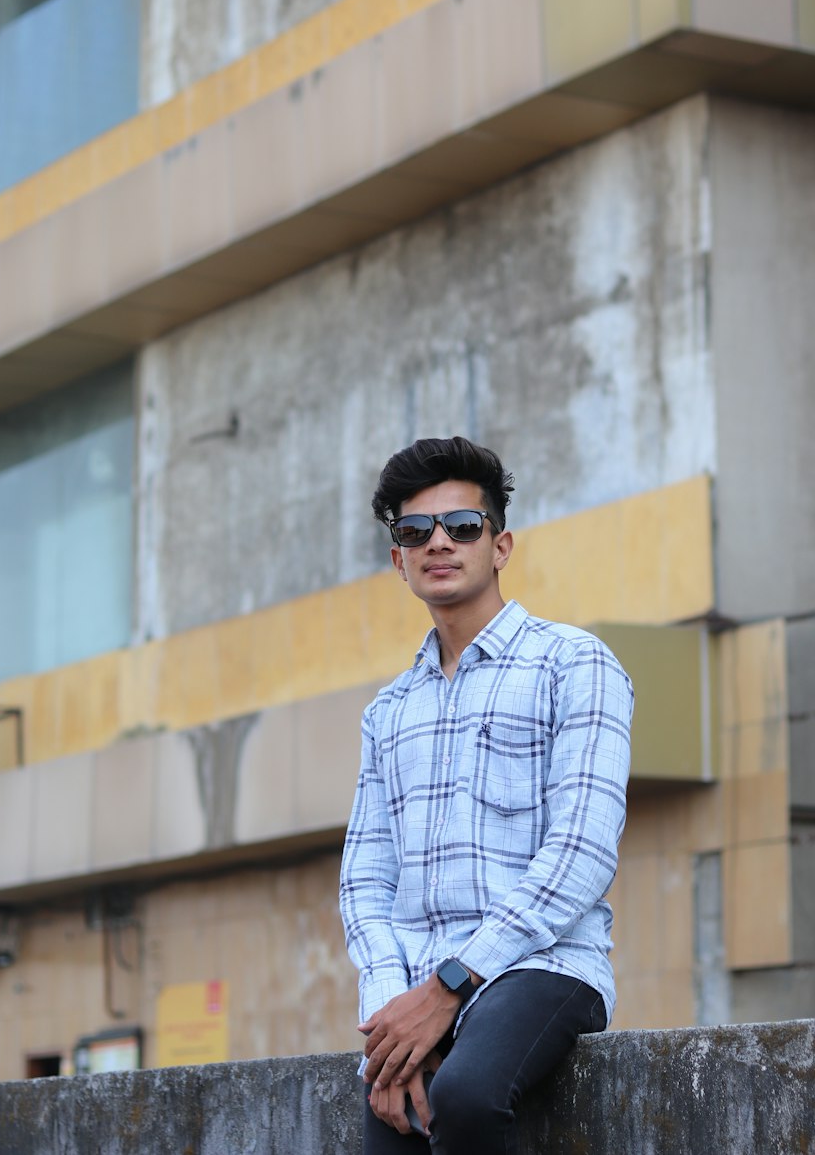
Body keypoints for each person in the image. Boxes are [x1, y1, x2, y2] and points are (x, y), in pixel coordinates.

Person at [339, 436, 634, 1154]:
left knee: (466, 1096)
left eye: (462, 526)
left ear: (499, 545)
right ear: (398, 561)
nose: (438, 542)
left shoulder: (573, 663)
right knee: (391, 1126)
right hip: (415, 990)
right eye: (415, 532)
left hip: (544, 964)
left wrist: (448, 987)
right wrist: (390, 1019)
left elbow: (583, 851)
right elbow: (365, 881)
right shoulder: (388, 712)